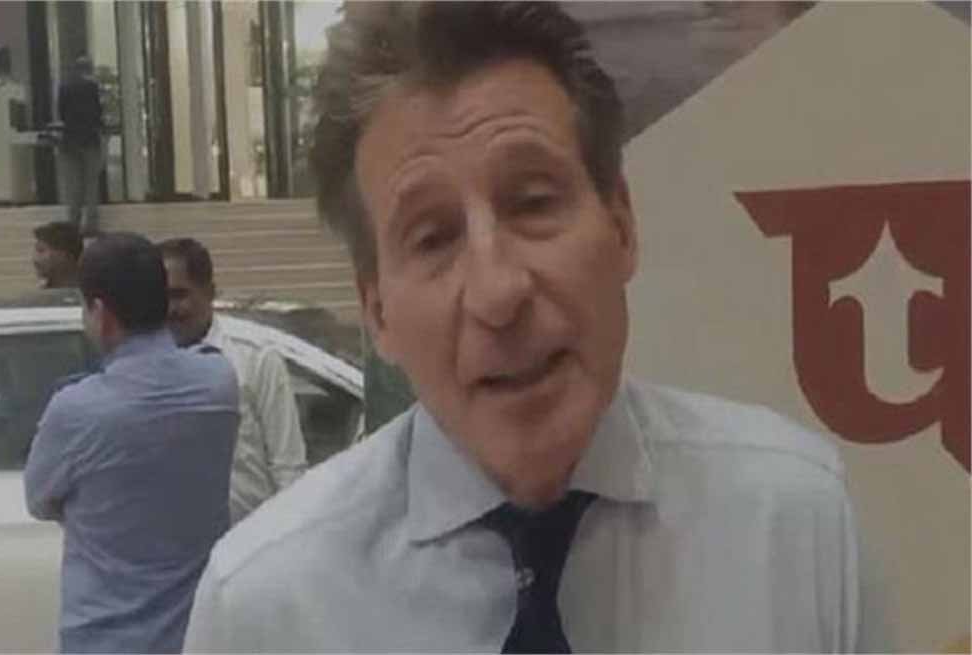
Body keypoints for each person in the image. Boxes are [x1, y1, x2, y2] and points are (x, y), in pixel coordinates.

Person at [184, 3, 891, 652]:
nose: (499, 292)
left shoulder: (794, 526)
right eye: (433, 238)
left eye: (532, 202)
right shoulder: (265, 607)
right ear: (378, 312)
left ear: (621, 225)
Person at [24, 232, 239, 654]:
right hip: (197, 637)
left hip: (104, 640)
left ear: (100, 313)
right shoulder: (219, 382)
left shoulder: (76, 410)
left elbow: (39, 500)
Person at [158, 237, 308, 523]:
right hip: (176, 544)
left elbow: (288, 467)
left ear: (210, 292)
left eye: (178, 295)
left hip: (252, 537)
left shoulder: (255, 358)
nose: (169, 309)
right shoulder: (145, 366)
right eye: (160, 297)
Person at [57, 55, 103, 236]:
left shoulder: (64, 87)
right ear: (89, 69)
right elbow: (97, 113)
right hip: (90, 140)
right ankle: (91, 225)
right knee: (91, 184)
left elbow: (61, 113)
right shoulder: (92, 87)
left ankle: (73, 224)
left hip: (70, 140)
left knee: (73, 185)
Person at [32, 220, 82, 289]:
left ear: (65, 255)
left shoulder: (89, 291)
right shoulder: (43, 292)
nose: (35, 260)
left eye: (41, 250)